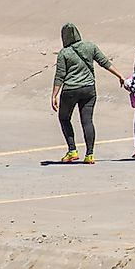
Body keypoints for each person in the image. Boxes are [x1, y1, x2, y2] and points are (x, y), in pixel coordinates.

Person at [50, 22, 125, 164]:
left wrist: (54, 95)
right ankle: (89, 154)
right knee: (87, 121)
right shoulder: (90, 46)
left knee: (64, 118)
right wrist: (119, 75)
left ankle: (72, 150)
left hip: (70, 90)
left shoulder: (64, 53)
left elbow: (60, 75)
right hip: (89, 89)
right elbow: (104, 62)